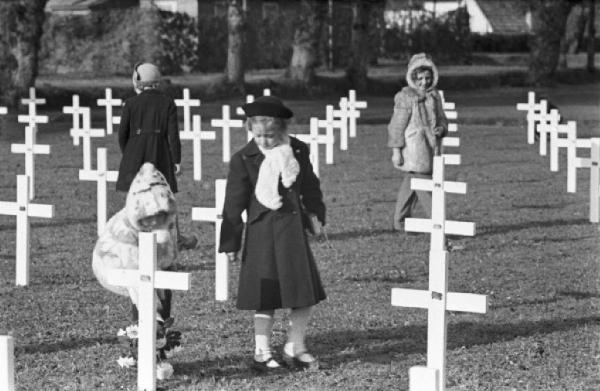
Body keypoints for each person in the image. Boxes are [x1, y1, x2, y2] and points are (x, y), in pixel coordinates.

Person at [219, 96, 326, 371]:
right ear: (249, 129)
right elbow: (233, 202)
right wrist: (231, 241)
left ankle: (295, 345)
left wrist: (316, 214)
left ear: (281, 129)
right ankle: (262, 351)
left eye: (270, 135)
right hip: (262, 232)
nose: (264, 141)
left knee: (302, 291)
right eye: (258, 135)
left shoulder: (298, 150)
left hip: (292, 232)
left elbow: (311, 186)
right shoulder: (244, 158)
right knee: (264, 294)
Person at [115, 62, 197, 251]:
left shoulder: (130, 103)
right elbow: (173, 135)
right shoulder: (167, 102)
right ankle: (175, 238)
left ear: (138, 81)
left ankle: (132, 237)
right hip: (160, 152)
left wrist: (128, 153)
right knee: (165, 196)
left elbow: (122, 135)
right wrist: (176, 159)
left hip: (134, 153)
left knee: (135, 196)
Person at [387, 53, 448, 232]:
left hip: (431, 146)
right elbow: (396, 125)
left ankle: (400, 221)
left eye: (428, 78)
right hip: (413, 146)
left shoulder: (434, 96)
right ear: (412, 77)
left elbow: (443, 119)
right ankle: (438, 222)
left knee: (411, 182)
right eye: (420, 78)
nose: (424, 82)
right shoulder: (405, 97)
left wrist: (442, 129)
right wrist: (396, 151)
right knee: (425, 183)